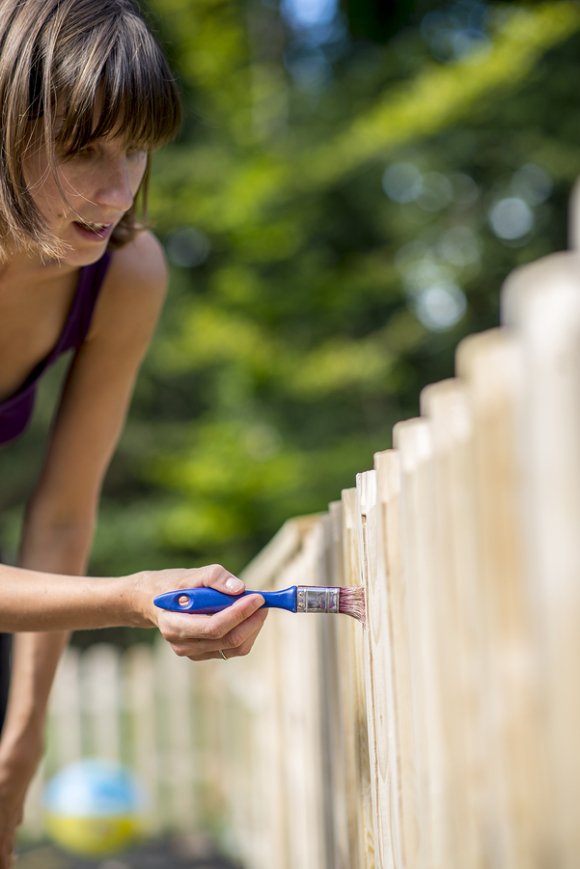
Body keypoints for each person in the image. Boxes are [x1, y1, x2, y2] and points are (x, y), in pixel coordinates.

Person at [0, 0, 268, 862]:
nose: (118, 192)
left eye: (136, 145)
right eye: (83, 148)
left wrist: (24, 737)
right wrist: (130, 597)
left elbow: (63, 517)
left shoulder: (124, 273)